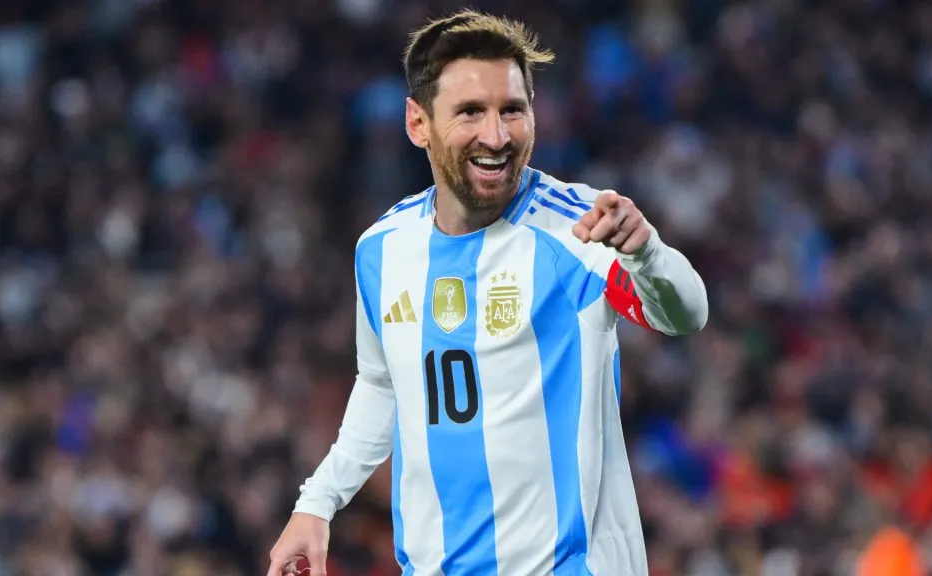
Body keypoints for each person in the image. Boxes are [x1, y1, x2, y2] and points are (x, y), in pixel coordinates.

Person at [266, 9, 709, 576]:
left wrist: (645, 251)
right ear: (418, 123)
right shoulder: (383, 250)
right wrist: (317, 502)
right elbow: (383, 384)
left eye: (512, 110)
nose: (497, 137)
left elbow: (685, 315)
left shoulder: (575, 230)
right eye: (471, 111)